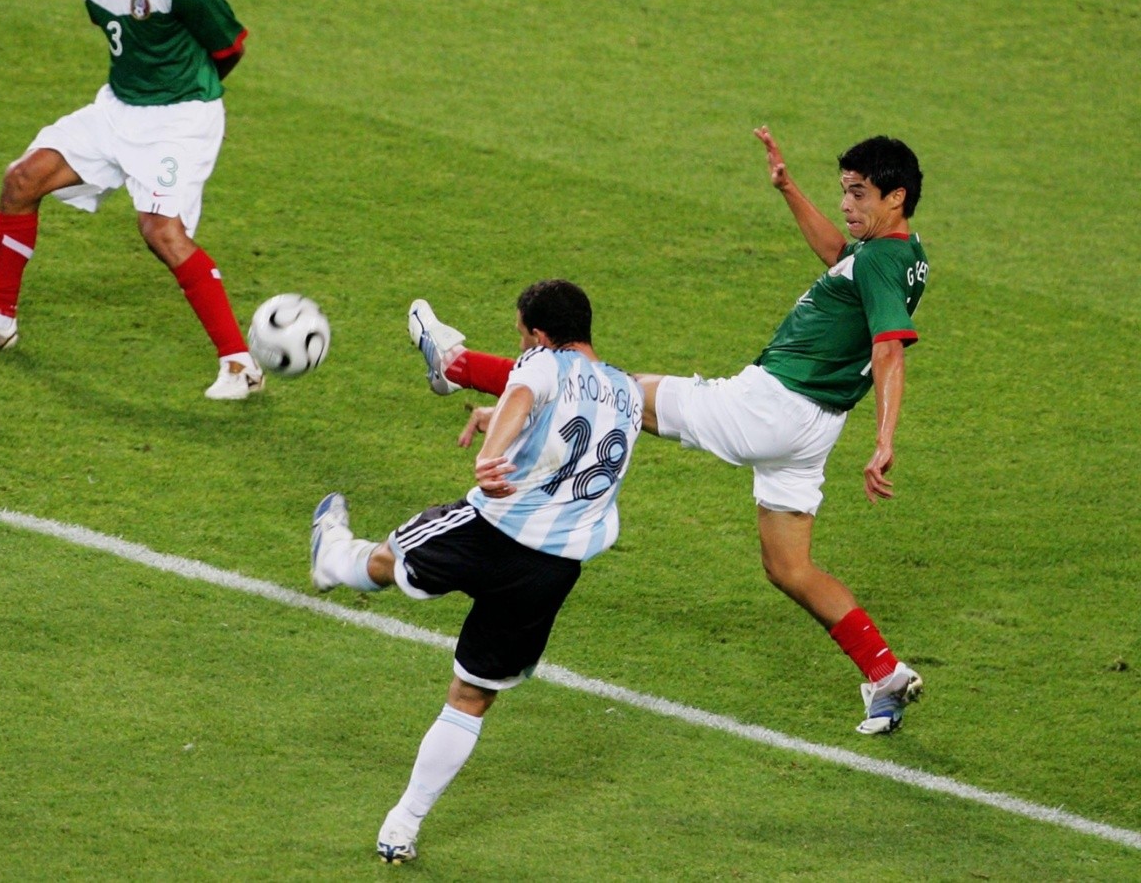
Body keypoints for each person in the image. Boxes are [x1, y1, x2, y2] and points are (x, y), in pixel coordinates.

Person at [407, 127, 929, 735]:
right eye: (843, 191)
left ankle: (455, 365)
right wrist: (789, 191)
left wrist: (886, 440)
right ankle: (886, 674)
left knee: (615, 390)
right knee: (790, 568)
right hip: (814, 427)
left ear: (895, 198)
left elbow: (890, 351)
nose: (846, 204)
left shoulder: (884, 263)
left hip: (769, 405)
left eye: (859, 194)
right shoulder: (902, 254)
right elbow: (840, 254)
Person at [312, 279, 643, 863]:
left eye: (522, 334)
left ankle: (333, 556)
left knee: (391, 560)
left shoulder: (544, 361)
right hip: (553, 567)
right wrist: (503, 420)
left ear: (540, 335)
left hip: (491, 531)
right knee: (470, 696)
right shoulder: (628, 392)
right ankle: (401, 825)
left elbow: (523, 396)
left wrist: (493, 452)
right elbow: (556, 420)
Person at [0, 0, 263, 400]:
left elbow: (229, 48)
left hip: (178, 125)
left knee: (161, 231)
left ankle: (241, 364)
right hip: (116, 111)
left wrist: (178, 87)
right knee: (22, 179)